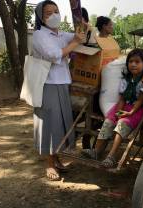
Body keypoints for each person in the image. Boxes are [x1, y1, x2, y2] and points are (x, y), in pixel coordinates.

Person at [32, 0, 85, 181]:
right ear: (40, 17)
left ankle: (57, 159)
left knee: (60, 124)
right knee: (48, 124)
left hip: (62, 83)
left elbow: (82, 36)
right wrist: (76, 41)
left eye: (56, 11)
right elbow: (54, 55)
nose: (54, 15)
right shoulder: (39, 35)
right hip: (47, 85)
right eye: (48, 13)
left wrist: (83, 27)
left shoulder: (61, 34)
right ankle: (49, 164)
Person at [82, 49, 143, 168]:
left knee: (121, 124)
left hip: (137, 108)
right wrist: (118, 112)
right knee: (109, 121)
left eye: (137, 62)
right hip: (124, 105)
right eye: (130, 61)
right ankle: (96, 151)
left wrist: (129, 112)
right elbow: (122, 99)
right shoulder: (125, 79)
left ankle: (111, 156)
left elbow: (140, 100)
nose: (133, 64)